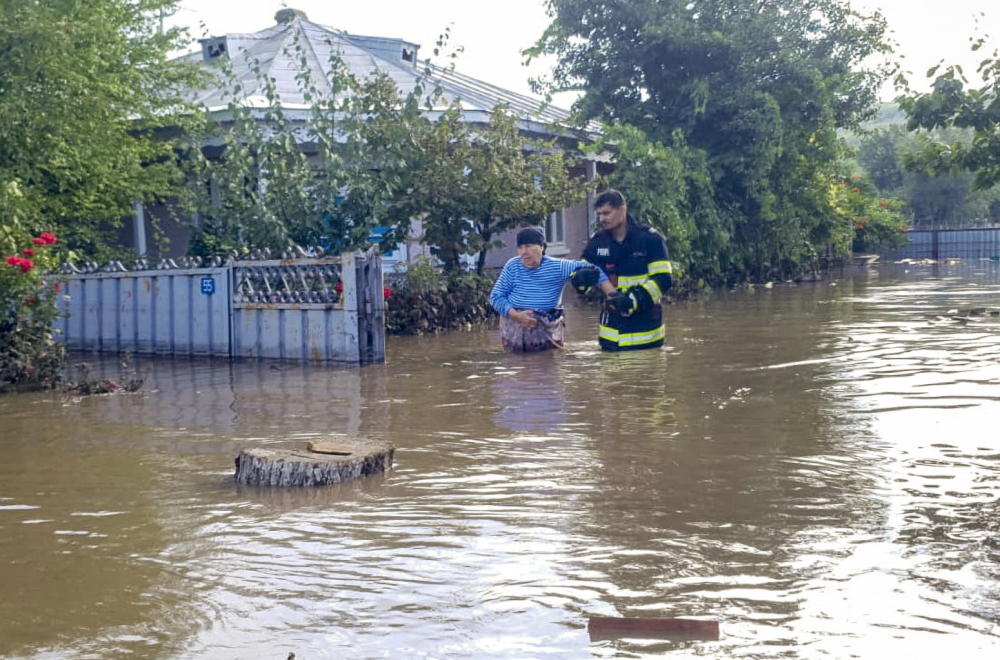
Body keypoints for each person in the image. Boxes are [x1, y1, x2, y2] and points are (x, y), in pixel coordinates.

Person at [490, 226, 613, 352]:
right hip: (514, 329)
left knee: (549, 362)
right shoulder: (512, 266)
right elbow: (495, 297)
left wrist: (611, 295)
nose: (523, 252)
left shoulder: (558, 267)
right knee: (516, 364)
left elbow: (596, 269)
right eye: (520, 248)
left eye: (528, 246)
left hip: (547, 330)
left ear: (542, 247)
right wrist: (516, 316)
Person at [578, 189, 673, 351]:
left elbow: (663, 280)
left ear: (622, 209)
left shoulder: (650, 239)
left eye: (607, 213)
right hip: (611, 340)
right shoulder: (597, 243)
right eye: (599, 214)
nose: (602, 219)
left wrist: (632, 300)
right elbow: (580, 283)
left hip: (647, 338)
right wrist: (580, 279)